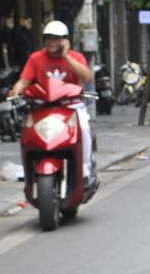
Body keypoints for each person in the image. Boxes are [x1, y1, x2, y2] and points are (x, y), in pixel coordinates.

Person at [8, 20, 96, 185]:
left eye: (56, 38)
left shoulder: (76, 57)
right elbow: (24, 81)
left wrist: (66, 57)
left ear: (65, 40)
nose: (51, 42)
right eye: (48, 38)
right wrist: (16, 91)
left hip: (71, 105)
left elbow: (86, 77)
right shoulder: (36, 58)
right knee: (28, 130)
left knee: (83, 127)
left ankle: (85, 168)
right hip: (43, 106)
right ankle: (29, 168)